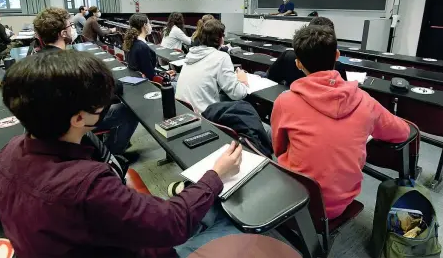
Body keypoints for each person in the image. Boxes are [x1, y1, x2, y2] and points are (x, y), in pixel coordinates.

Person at [0, 50, 243, 257]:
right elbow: (172, 224)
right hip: (150, 248)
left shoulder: (10, 150)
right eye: (98, 105)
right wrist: (216, 175)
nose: (103, 108)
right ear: (77, 119)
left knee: (204, 204)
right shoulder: (87, 185)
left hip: (109, 232)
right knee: (231, 224)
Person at [271, 25, 410, 219]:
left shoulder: (284, 102)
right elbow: (403, 132)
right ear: (337, 55)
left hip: (294, 199)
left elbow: (278, 149)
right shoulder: (366, 101)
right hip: (339, 205)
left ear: (298, 64)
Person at [33, 7, 138, 157]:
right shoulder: (75, 62)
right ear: (63, 33)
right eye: (70, 26)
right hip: (72, 125)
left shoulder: (33, 61)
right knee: (127, 111)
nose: (73, 29)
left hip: (48, 129)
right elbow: (115, 86)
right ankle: (113, 156)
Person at [176, 19, 248, 114]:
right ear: (220, 39)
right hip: (204, 117)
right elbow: (238, 94)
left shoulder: (191, 54)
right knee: (244, 105)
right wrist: (243, 80)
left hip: (183, 111)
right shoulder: (222, 57)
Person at [258, 17, 347, 86]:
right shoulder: (338, 67)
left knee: (258, 74)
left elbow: (271, 78)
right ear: (337, 55)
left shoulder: (288, 56)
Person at [123, 13, 175, 81]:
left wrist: (163, 73)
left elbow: (146, 70)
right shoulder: (142, 47)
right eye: (149, 23)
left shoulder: (132, 42)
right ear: (145, 25)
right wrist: (166, 77)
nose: (150, 25)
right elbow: (150, 75)